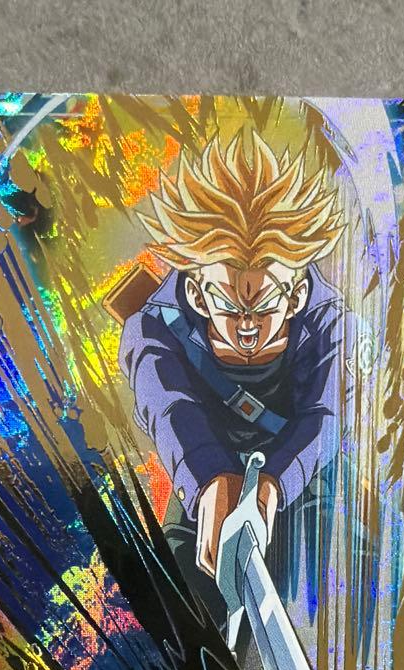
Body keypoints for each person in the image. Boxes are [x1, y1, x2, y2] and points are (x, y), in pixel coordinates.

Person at [119, 132, 350, 624]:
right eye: (229, 305)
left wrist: (274, 485)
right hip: (205, 487)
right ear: (197, 296)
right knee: (177, 610)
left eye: (263, 306)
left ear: (296, 295)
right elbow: (168, 404)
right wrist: (207, 477)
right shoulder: (155, 328)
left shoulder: (331, 327)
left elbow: (326, 416)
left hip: (305, 482)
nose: (247, 326)